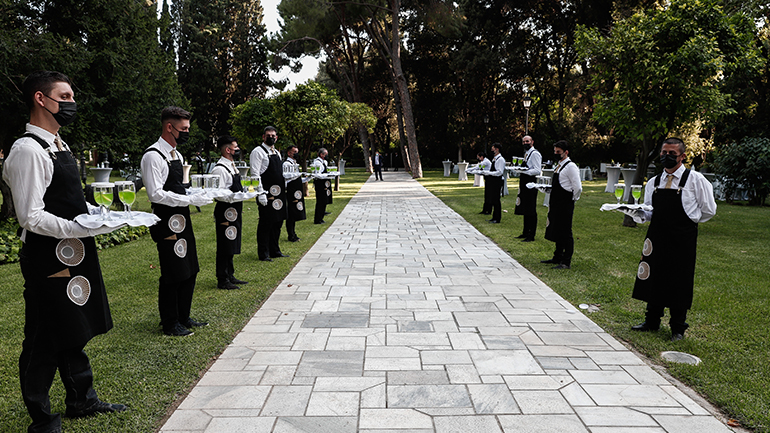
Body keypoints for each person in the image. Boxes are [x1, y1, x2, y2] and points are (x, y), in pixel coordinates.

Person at [3, 70, 126, 433]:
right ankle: (42, 419)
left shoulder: (60, 144)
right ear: (40, 99)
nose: (72, 103)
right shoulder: (27, 150)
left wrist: (101, 216)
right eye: (65, 96)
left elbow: (71, 200)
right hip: (47, 256)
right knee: (43, 336)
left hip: (73, 251)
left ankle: (82, 399)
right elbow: (30, 216)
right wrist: (79, 229)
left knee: (73, 326)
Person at [630, 137, 717, 341]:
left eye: (672, 154)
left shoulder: (695, 180)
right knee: (654, 276)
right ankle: (652, 321)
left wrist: (689, 222)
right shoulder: (654, 181)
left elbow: (709, 210)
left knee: (679, 280)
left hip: (682, 238)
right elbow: (650, 210)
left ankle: (678, 328)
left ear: (682, 156)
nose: (666, 156)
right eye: (664, 153)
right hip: (656, 235)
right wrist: (637, 213)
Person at [141, 106, 212, 337]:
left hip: (182, 218)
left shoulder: (177, 155)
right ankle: (170, 323)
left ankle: (183, 316)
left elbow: (180, 186)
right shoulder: (153, 156)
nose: (187, 132)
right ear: (169, 127)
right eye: (184, 128)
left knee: (190, 269)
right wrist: (187, 199)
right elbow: (155, 194)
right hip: (165, 221)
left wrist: (195, 194)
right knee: (173, 272)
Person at [211, 136, 248, 290]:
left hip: (234, 210)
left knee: (231, 242)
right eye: (235, 147)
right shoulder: (219, 169)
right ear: (228, 150)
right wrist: (235, 196)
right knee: (224, 244)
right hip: (225, 210)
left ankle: (230, 274)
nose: (238, 149)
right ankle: (222, 279)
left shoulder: (232, 166)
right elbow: (218, 194)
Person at [250, 126, 289, 262]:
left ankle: (275, 250)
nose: (271, 138)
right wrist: (260, 193)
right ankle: (263, 253)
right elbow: (255, 174)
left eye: (273, 136)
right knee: (266, 224)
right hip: (266, 193)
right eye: (268, 135)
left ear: (276, 138)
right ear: (263, 137)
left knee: (278, 222)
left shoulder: (276, 152)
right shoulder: (257, 152)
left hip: (279, 194)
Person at [542, 140, 582, 269]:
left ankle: (566, 261)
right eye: (555, 151)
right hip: (556, 202)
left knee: (566, 231)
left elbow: (577, 187)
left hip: (565, 202)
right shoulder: (558, 166)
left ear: (566, 152)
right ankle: (557, 257)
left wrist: (572, 199)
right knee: (557, 229)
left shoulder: (571, 167)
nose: (556, 154)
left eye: (558, 152)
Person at [514, 135, 542, 242]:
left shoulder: (535, 154)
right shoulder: (526, 154)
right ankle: (525, 232)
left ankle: (531, 234)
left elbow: (537, 170)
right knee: (525, 208)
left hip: (531, 183)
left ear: (532, 142)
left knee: (531, 209)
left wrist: (524, 171)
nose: (525, 143)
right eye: (524, 141)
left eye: (527, 141)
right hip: (524, 183)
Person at [283, 145, 308, 242]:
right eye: (294, 152)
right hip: (290, 190)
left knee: (295, 213)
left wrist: (306, 178)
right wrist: (297, 174)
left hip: (296, 190)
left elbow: (296, 178)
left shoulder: (295, 163)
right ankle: (291, 235)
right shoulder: (286, 164)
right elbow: (285, 176)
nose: (297, 154)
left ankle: (293, 233)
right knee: (291, 213)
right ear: (289, 153)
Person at [480, 143, 506, 224]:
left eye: (493, 148)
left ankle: (497, 218)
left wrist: (489, 173)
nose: (491, 150)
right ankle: (494, 217)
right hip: (493, 181)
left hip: (497, 181)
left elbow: (499, 172)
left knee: (496, 200)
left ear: (497, 149)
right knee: (493, 200)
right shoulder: (495, 159)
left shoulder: (500, 159)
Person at [312, 148, 331, 224]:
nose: (327, 156)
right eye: (325, 154)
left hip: (324, 182)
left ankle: (321, 216)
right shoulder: (317, 162)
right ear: (321, 154)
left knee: (324, 200)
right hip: (320, 183)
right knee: (320, 201)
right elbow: (317, 174)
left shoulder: (324, 162)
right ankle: (318, 219)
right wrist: (326, 175)